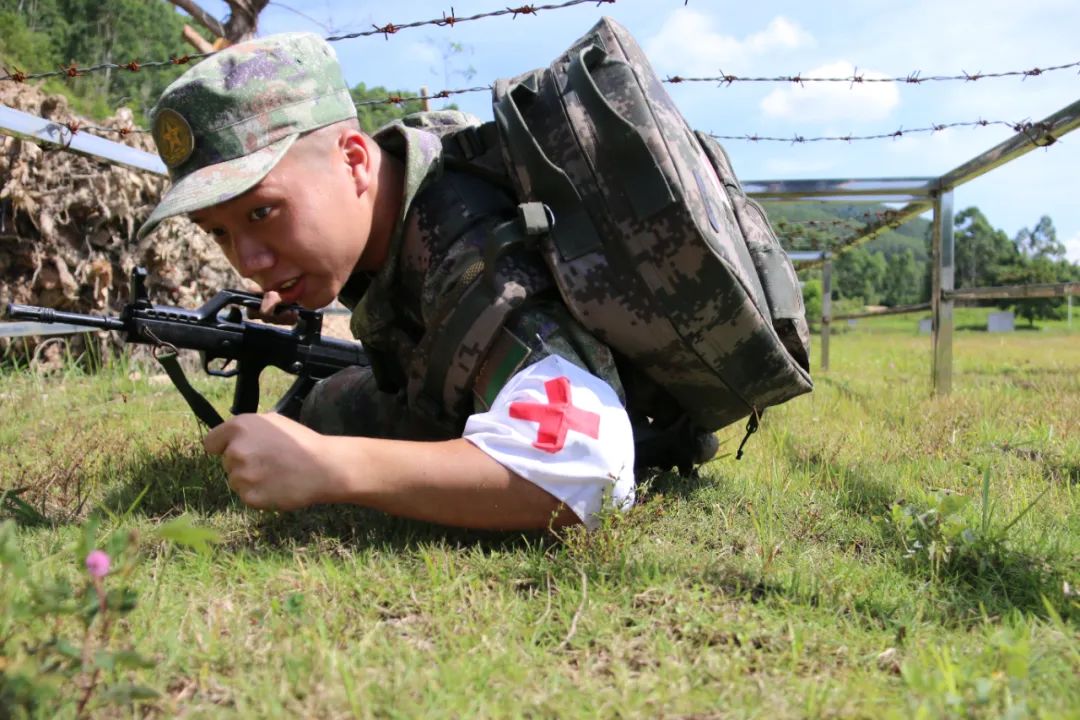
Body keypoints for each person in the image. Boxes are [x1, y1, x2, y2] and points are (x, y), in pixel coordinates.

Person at [137, 32, 648, 531]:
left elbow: (589, 468)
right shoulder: (392, 207)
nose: (248, 261)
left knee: (328, 421)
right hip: (443, 390)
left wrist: (327, 467)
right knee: (327, 404)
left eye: (263, 211)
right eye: (220, 232)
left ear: (354, 161)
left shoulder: (469, 252)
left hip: (635, 417)